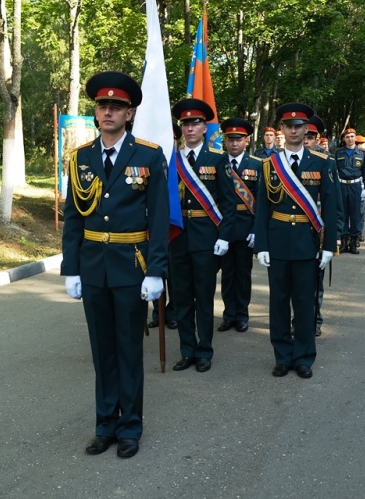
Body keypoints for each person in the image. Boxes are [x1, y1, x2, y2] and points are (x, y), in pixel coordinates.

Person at [61, 71, 169, 459]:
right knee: (101, 350)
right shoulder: (81, 158)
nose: (108, 112)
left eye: (117, 107)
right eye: (103, 106)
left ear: (130, 113)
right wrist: (70, 268)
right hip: (92, 267)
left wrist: (156, 270)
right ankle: (104, 424)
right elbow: (74, 217)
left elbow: (158, 217)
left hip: (131, 266)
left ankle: (130, 427)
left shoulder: (149, 154)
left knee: (127, 349)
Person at [255, 102, 337, 379]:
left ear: (306, 129)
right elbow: (263, 207)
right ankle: (282, 355)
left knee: (305, 303)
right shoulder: (269, 165)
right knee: (278, 302)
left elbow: (331, 206)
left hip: (307, 242)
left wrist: (329, 247)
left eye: (299, 126)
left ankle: (303, 356)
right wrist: (262, 245)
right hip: (277, 241)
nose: (293, 130)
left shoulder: (323, 163)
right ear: (282, 129)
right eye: (288, 126)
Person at [170, 98, 237, 373]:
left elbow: (230, 202)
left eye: (195, 122)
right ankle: (187, 350)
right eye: (185, 123)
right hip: (177, 237)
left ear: (204, 127)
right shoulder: (170, 160)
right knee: (182, 297)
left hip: (207, 238)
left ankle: (204, 350)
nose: (190, 128)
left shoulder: (217, 160)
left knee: (204, 296)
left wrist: (224, 236)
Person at [217, 118, 260, 333]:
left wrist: (255, 230)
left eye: (239, 139)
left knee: (243, 274)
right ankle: (228, 314)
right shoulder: (217, 163)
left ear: (247, 140)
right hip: (223, 227)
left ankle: (242, 314)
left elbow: (261, 201)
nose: (234, 143)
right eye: (230, 139)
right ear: (225, 140)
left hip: (245, 226)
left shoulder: (257, 164)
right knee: (227, 273)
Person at [305, 115, 342, 337]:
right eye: (305, 136)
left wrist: (335, 235)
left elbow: (335, 204)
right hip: (296, 231)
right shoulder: (285, 162)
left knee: (315, 281)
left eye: (311, 136)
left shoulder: (326, 163)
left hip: (318, 231)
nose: (307, 141)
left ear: (317, 138)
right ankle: (297, 318)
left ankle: (315, 319)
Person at [148, 123, 182, 330]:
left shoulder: (182, 164)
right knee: (154, 268)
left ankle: (173, 311)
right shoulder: (152, 161)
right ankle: (157, 311)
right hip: (153, 226)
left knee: (175, 275)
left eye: (173, 139)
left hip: (176, 227)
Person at [334, 128, 365, 254]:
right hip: (341, 186)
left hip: (356, 187)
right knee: (343, 214)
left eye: (352, 136)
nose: (350, 139)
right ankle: (344, 241)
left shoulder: (361, 154)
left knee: (355, 214)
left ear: (355, 138)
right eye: (347, 137)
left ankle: (354, 242)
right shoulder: (338, 153)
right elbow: (334, 172)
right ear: (344, 139)